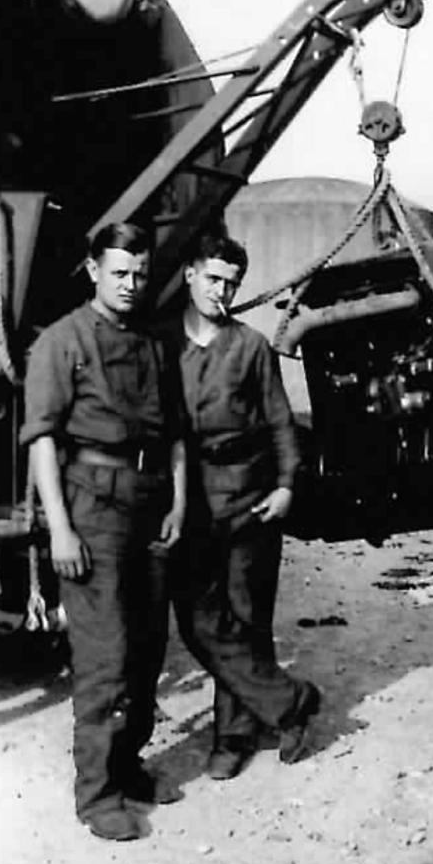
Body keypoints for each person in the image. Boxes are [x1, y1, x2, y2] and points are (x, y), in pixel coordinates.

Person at [21, 222, 187, 842]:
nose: (130, 284)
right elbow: (41, 440)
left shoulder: (150, 343)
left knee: (146, 649)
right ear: (93, 270)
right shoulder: (62, 342)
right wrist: (60, 530)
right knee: (105, 656)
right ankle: (96, 794)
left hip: (148, 504)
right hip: (93, 506)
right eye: (119, 272)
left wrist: (177, 503)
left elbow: (172, 435)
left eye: (140, 273)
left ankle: (128, 765)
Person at [168, 235, 320, 779]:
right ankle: (289, 702)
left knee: (245, 616)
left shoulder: (251, 346)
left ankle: (232, 737)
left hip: (249, 495)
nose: (221, 292)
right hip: (189, 499)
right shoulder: (164, 346)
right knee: (198, 621)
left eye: (231, 283)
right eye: (212, 279)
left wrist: (285, 485)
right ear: (189, 275)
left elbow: (280, 420)